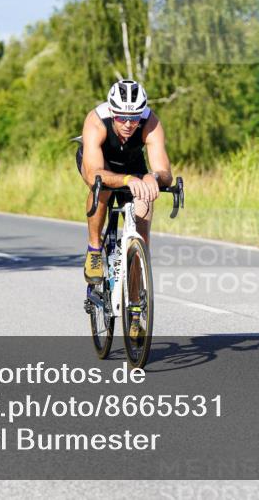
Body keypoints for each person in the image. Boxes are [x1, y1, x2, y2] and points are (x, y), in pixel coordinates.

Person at [76, 80, 172, 338]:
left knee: (144, 215)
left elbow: (164, 171)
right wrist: (128, 180)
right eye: (121, 117)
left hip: (133, 165)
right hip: (100, 164)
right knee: (102, 188)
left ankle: (136, 309)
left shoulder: (151, 122)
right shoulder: (97, 120)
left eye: (134, 117)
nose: (128, 124)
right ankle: (95, 248)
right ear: (112, 111)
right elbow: (94, 172)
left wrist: (154, 178)